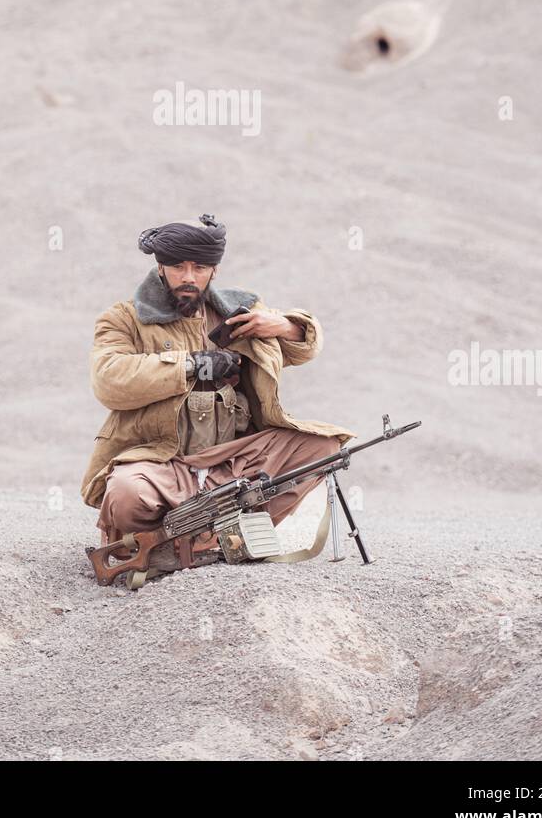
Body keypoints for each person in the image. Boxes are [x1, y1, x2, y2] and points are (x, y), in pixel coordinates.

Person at [80, 214, 355, 574]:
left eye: (200, 267)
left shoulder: (239, 314)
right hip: (161, 460)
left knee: (322, 450)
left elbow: (303, 349)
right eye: (178, 266)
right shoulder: (124, 319)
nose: (189, 277)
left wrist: (285, 325)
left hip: (232, 461)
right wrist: (191, 364)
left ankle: (221, 539)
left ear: (215, 270)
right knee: (126, 494)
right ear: (160, 267)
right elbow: (108, 379)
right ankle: (163, 545)